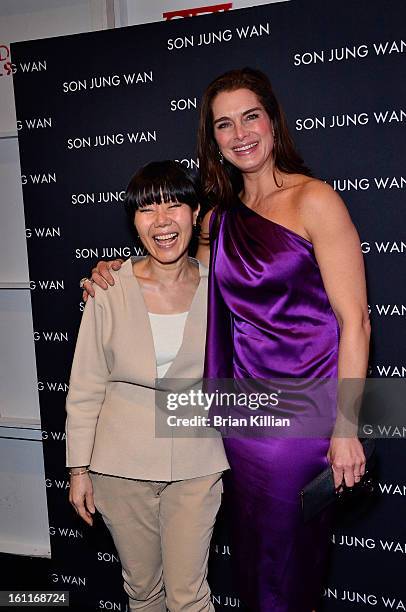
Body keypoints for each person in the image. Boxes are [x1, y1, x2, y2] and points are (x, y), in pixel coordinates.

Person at [84, 68, 370, 611]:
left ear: (272, 120)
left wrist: (347, 428)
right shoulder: (217, 220)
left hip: (303, 422)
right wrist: (113, 273)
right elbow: (170, 267)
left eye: (250, 117)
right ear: (211, 138)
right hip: (239, 425)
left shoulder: (316, 202)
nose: (240, 133)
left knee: (289, 564)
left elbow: (355, 321)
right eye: (223, 124)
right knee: (255, 561)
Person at [66, 160, 229, 612]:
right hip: (119, 466)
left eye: (174, 205)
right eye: (147, 209)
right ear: (134, 222)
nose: (162, 221)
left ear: (195, 214)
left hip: (196, 461)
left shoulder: (220, 288)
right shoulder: (108, 288)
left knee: (189, 596)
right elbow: (85, 386)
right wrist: (78, 469)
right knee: (142, 592)